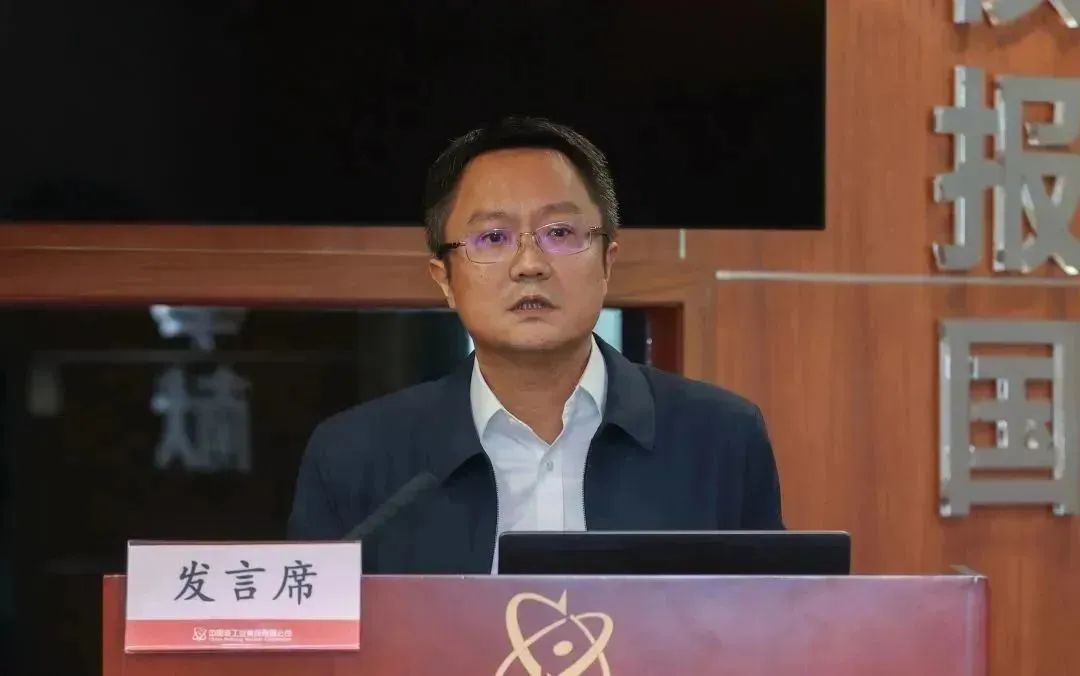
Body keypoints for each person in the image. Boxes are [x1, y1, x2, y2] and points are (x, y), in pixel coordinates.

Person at [287, 117, 783, 572]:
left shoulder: (721, 440)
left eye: (559, 232)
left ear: (607, 263)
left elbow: (773, 624)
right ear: (445, 279)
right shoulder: (355, 457)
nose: (530, 264)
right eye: (493, 237)